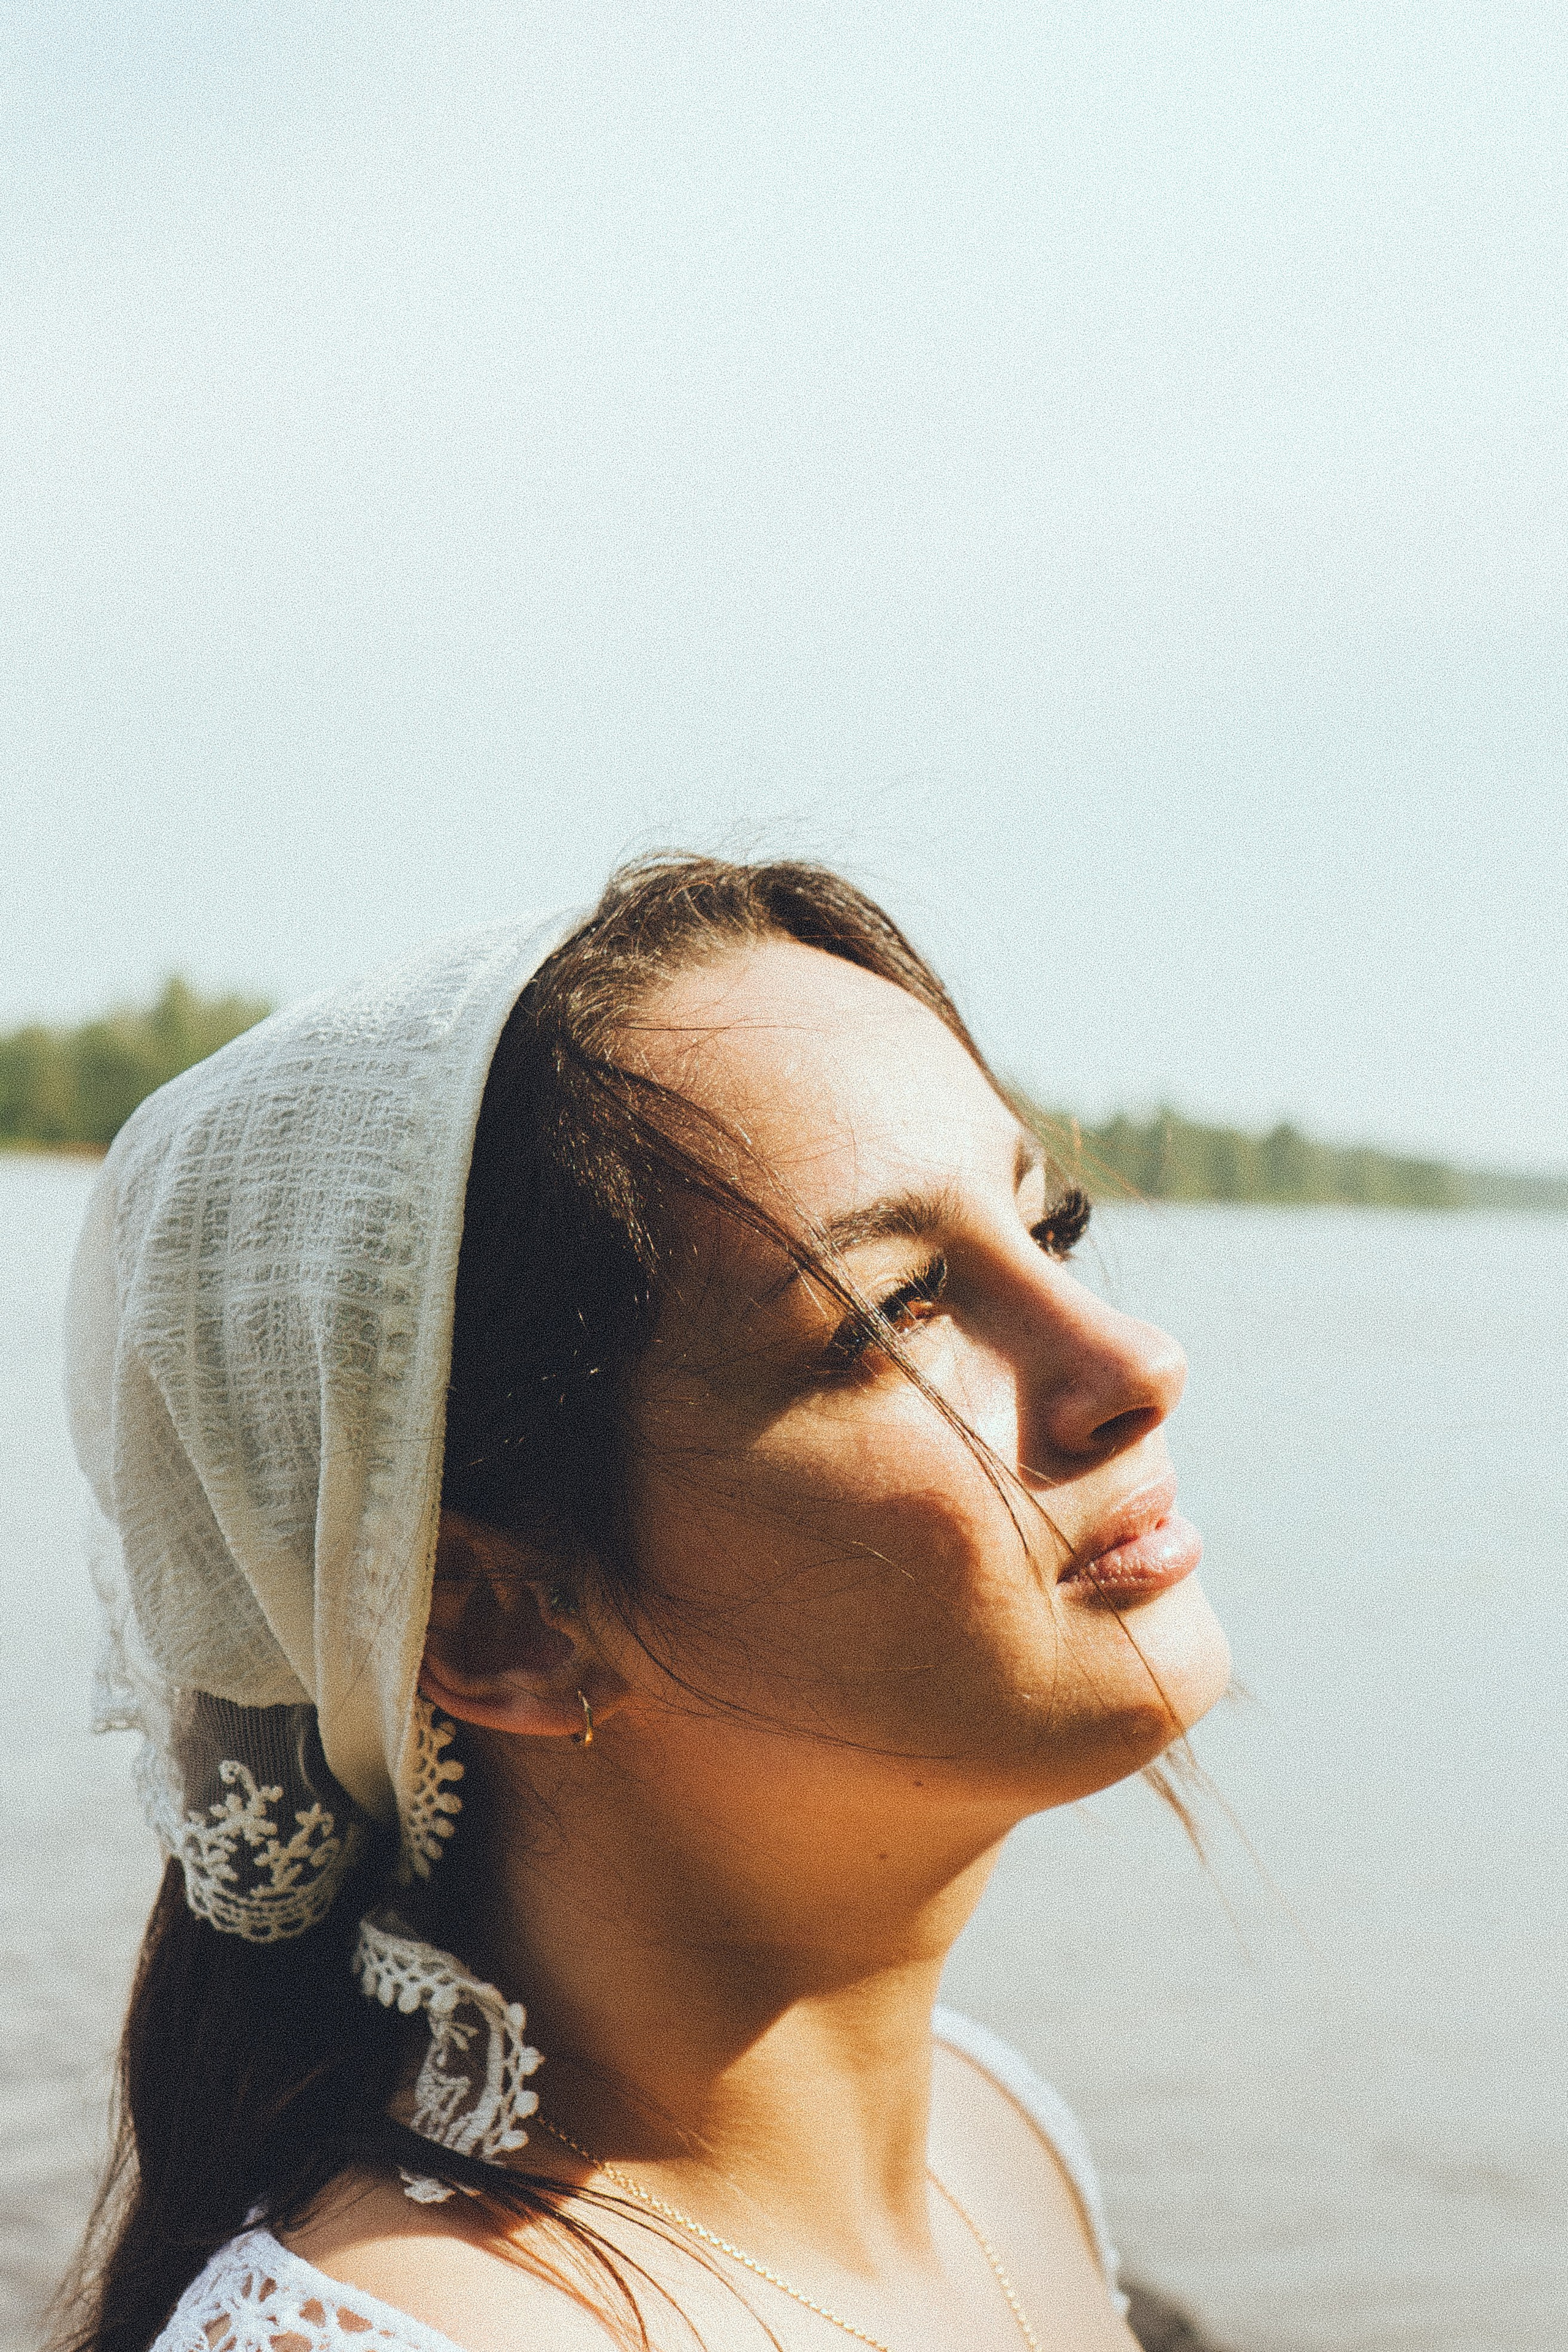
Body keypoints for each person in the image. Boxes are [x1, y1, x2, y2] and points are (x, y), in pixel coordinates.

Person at [57, 856, 1230, 2352]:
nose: (1133, 1365)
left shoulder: (999, 2146)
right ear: (500, 1624)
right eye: (893, 1312)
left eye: (1048, 1228)